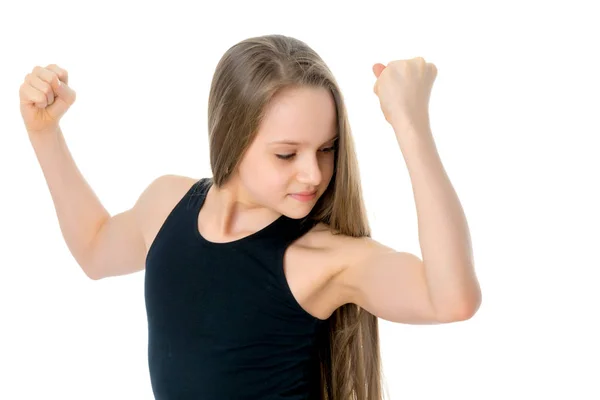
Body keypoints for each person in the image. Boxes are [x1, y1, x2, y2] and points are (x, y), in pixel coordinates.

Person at [20, 34, 481, 400]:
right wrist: (44, 133)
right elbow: (95, 249)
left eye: (326, 149)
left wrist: (411, 124)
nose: (312, 173)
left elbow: (452, 300)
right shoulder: (166, 205)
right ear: (230, 138)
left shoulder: (323, 259)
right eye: (286, 154)